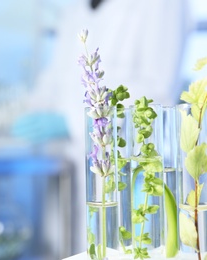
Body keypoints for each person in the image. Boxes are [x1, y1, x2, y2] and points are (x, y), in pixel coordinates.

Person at [12, 0, 193, 254]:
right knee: (73, 247)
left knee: (128, 248)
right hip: (71, 170)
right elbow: (56, 78)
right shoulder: (76, 9)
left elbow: (157, 88)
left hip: (131, 169)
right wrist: (31, 111)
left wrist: (74, 119)